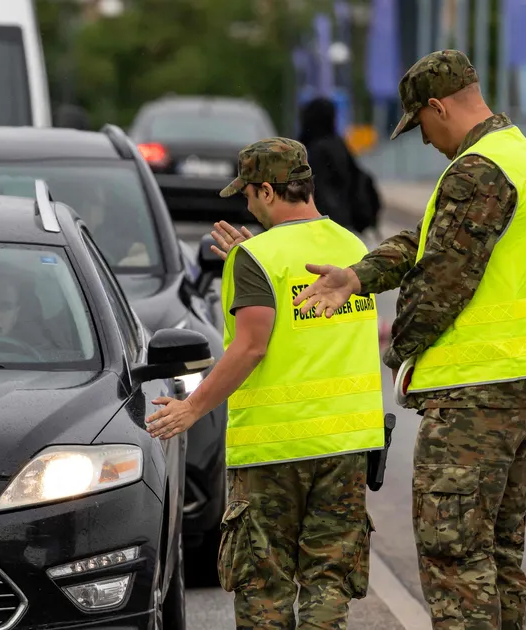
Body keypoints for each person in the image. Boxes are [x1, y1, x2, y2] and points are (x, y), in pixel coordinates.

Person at [292, 50, 526, 630]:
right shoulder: (518, 155)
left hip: (478, 396)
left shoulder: (478, 169)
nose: (424, 141)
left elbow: (441, 279)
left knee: (455, 557)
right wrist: (357, 275)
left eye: (420, 125)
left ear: (437, 105)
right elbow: (431, 239)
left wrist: (397, 350)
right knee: (497, 556)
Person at [145, 138, 384, 629]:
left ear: (270, 190)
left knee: (264, 585)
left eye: (250, 195)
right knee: (328, 580)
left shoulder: (256, 258)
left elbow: (251, 347)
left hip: (274, 451)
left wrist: (193, 407)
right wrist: (250, 259)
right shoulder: (351, 249)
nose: (248, 205)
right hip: (345, 446)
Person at [298, 97, 357, 231]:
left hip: (324, 222)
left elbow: (317, 187)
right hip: (345, 220)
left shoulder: (316, 149)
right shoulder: (339, 144)